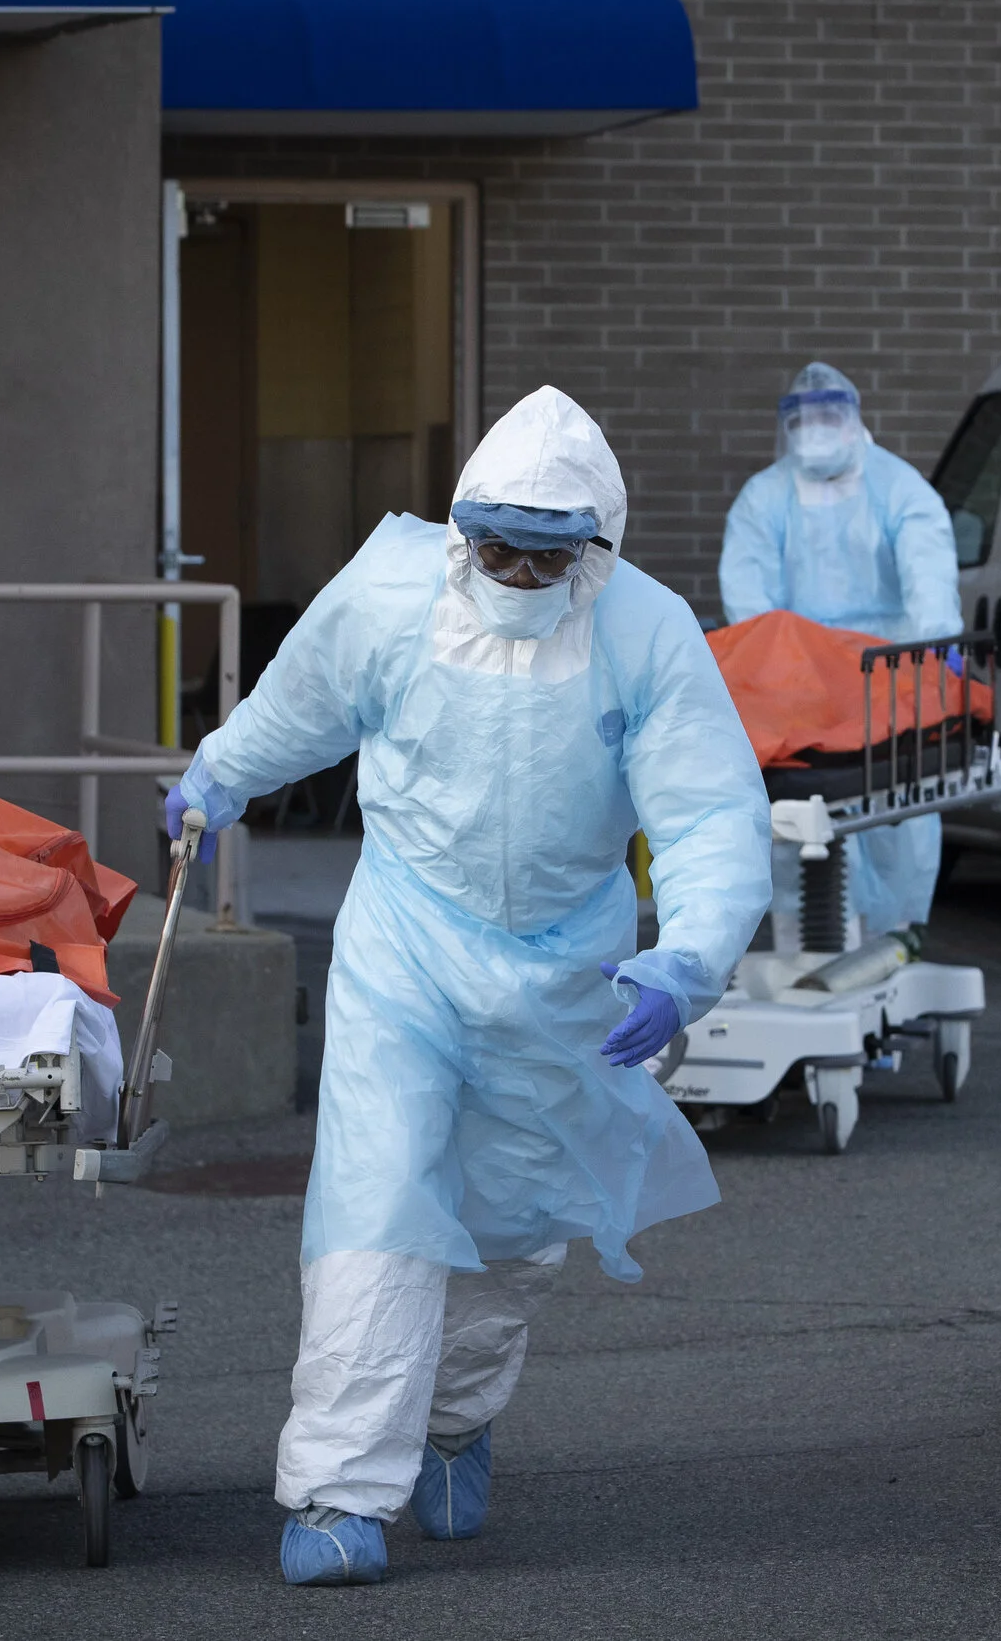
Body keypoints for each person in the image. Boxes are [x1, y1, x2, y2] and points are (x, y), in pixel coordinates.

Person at [165, 386, 771, 1586]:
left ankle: (452, 1421)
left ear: (592, 546)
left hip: (564, 967)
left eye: (541, 555)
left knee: (510, 1231)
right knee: (376, 1201)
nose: (512, 571)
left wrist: (685, 957)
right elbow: (301, 703)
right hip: (406, 941)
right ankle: (340, 1491)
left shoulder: (646, 632)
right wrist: (217, 774)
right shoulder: (391, 590)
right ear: (458, 529)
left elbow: (707, 810)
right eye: (493, 545)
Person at [717, 362, 962, 948]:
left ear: (854, 421)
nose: (817, 430)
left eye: (829, 417)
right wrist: (779, 668)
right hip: (801, 689)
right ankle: (806, 944)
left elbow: (929, 578)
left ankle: (896, 939)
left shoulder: (900, 491)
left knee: (893, 827)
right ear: (788, 427)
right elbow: (750, 604)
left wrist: (938, 647)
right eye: (804, 420)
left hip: (887, 683)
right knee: (797, 834)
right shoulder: (765, 499)